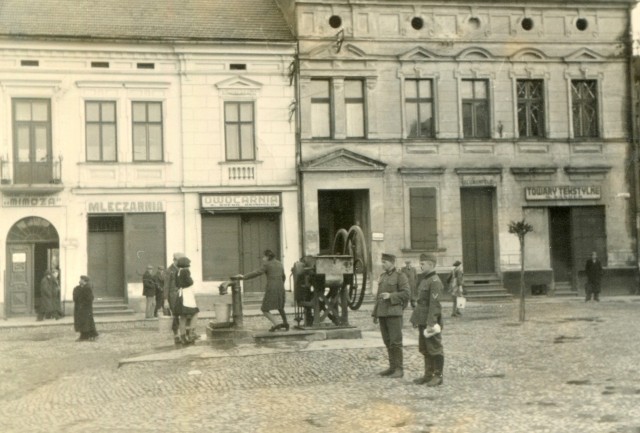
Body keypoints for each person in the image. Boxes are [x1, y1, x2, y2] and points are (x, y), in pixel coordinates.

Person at [372, 253, 410, 379]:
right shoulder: (382, 276)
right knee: (387, 341)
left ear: (392, 263)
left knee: (395, 342)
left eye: (385, 262)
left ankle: (399, 369)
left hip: (394, 313)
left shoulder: (400, 276)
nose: (383, 264)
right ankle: (392, 367)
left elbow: (406, 294)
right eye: (382, 262)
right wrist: (375, 313)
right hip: (383, 313)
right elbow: (378, 296)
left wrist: (391, 296)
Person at [410, 253, 445, 387]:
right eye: (421, 263)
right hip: (422, 319)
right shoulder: (425, 279)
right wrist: (415, 319)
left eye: (423, 263)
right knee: (425, 348)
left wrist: (431, 323)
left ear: (431, 264)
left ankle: (438, 376)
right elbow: (421, 303)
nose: (420, 265)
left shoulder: (435, 281)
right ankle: (428, 374)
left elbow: (434, 304)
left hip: (430, 321)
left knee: (435, 348)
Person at [236, 249, 289, 332]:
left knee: (264, 309)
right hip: (281, 287)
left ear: (267, 257)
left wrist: (244, 277)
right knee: (280, 306)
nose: (262, 258)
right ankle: (286, 323)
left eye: (264, 256)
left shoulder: (267, 264)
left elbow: (257, 272)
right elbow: (283, 276)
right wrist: (280, 285)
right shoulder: (279, 263)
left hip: (271, 288)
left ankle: (276, 324)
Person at [174, 256, 199, 345]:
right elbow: (190, 282)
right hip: (187, 295)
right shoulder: (185, 271)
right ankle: (191, 334)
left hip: (180, 294)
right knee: (195, 313)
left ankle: (183, 336)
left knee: (182, 316)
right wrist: (191, 279)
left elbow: (176, 283)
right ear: (186, 264)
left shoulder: (177, 271)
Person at [163, 253, 183, 345]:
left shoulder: (180, 269)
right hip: (172, 296)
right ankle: (176, 335)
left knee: (182, 314)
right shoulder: (169, 270)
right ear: (175, 260)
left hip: (181, 295)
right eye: (179, 261)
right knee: (175, 315)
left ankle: (182, 333)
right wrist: (165, 300)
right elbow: (166, 286)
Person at [73, 275, 98, 342]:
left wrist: (83, 303)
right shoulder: (77, 288)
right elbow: (75, 298)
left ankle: (91, 335)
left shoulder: (88, 288)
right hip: (79, 308)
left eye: (81, 279)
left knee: (87, 322)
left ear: (84, 281)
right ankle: (84, 335)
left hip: (86, 308)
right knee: (81, 322)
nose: (80, 280)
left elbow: (90, 298)